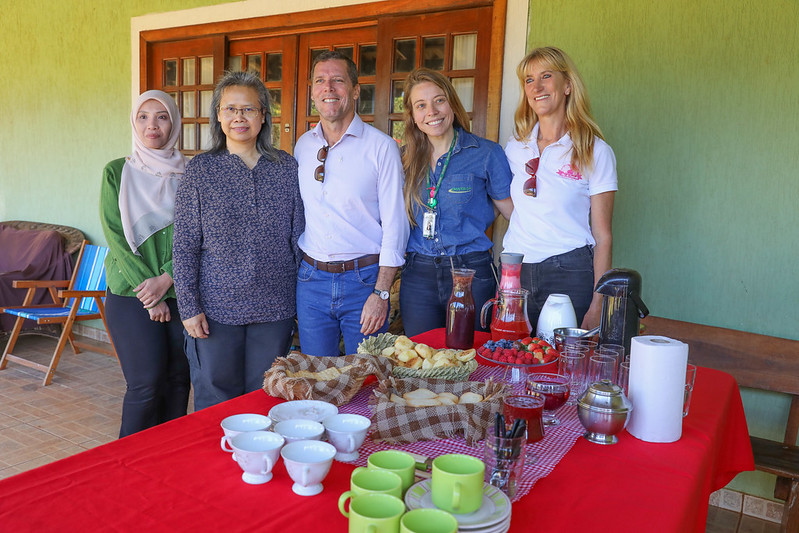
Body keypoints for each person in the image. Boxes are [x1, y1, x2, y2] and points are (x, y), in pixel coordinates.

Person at [173, 71, 304, 410]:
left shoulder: (286, 167)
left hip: (274, 305)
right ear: (218, 115)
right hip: (215, 307)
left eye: (248, 109)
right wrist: (189, 307)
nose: (239, 118)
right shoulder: (200, 170)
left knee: (265, 396)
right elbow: (185, 243)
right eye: (230, 109)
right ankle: (216, 462)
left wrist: (300, 304)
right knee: (215, 397)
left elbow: (298, 238)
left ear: (263, 116)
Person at [294, 50, 409, 356]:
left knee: (366, 379)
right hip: (311, 280)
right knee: (317, 380)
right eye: (320, 80)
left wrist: (381, 292)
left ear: (355, 90)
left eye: (337, 80)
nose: (328, 88)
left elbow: (396, 226)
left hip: (364, 282)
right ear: (313, 92)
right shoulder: (303, 146)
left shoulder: (381, 148)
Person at [502, 46, 617, 330]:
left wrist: (597, 304)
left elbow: (603, 236)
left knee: (564, 367)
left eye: (546, 76)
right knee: (512, 361)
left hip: (569, 272)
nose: (536, 87)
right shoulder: (515, 147)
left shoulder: (594, 151)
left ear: (567, 85)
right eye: (529, 80)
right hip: (516, 273)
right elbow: (514, 207)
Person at [100, 90, 191, 437]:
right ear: (134, 123)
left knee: (179, 380)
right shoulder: (116, 172)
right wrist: (151, 294)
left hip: (181, 293)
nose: (152, 124)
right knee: (146, 383)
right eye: (143, 116)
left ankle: (169, 462)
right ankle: (127, 465)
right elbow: (115, 237)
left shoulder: (191, 173)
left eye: (162, 116)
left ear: (174, 122)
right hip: (130, 294)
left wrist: (167, 279)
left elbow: (194, 235)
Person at [399, 68, 513, 337]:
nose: (432, 111)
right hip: (419, 277)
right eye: (421, 105)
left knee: (473, 361)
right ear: (413, 117)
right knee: (422, 361)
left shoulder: (486, 153)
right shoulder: (402, 160)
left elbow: (512, 213)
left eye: (439, 100)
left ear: (451, 103)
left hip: (472, 274)